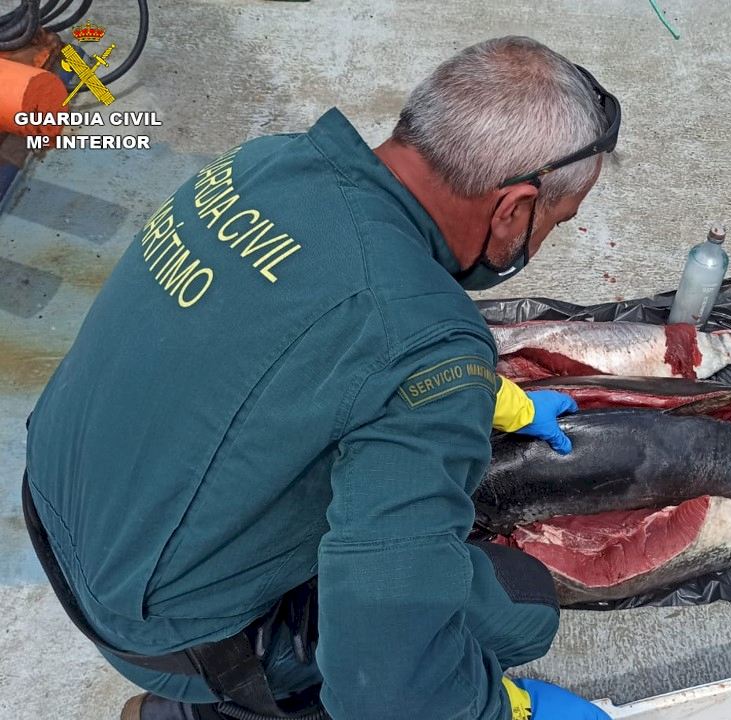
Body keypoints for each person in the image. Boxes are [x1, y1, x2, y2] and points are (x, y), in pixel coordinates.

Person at [22, 36, 619, 720]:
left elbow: (300, 336)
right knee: (520, 607)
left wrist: (498, 399)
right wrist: (502, 708)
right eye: (554, 222)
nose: (541, 241)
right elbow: (388, 690)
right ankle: (213, 708)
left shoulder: (265, 163)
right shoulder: (424, 337)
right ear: (512, 209)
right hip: (157, 630)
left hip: (58, 507)